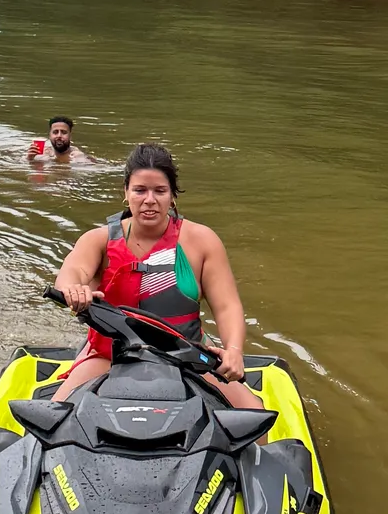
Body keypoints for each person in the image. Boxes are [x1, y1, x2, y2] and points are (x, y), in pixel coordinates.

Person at [50, 142, 265, 410]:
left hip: (186, 355)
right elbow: (72, 272)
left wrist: (233, 351)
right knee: (55, 416)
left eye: (160, 191)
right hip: (110, 356)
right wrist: (73, 289)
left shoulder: (202, 241)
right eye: (140, 190)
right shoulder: (99, 240)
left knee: (253, 413)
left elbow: (226, 306)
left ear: (172, 196)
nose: (149, 200)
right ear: (126, 193)